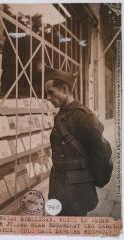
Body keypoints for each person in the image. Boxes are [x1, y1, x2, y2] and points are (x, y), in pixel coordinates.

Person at [44, 68, 103, 216]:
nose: (48, 97)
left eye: (51, 92)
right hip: (59, 186)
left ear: (64, 89)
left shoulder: (83, 116)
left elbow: (101, 156)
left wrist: (92, 181)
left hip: (77, 191)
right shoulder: (61, 115)